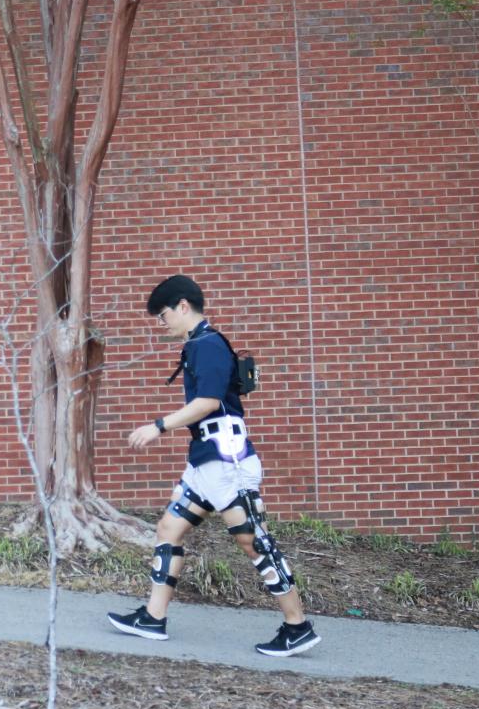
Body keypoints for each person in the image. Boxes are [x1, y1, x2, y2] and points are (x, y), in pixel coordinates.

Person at [106, 274, 319, 657]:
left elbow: (207, 401)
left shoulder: (208, 345)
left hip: (227, 461)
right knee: (169, 527)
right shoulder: (199, 345)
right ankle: (153, 618)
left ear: (183, 306)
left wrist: (158, 426)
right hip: (206, 462)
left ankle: (297, 626)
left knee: (253, 541)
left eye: (164, 314)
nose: (162, 322)